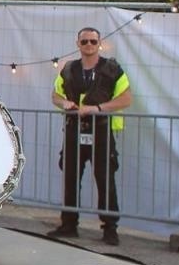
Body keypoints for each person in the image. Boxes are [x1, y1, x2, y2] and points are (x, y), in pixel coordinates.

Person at [51, 28, 133, 245]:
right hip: (74, 130)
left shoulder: (112, 69)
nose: (89, 45)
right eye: (85, 41)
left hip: (101, 131)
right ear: (78, 44)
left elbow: (126, 99)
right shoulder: (69, 69)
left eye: (93, 41)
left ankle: (110, 229)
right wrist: (63, 102)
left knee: (105, 181)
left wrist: (98, 108)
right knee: (70, 178)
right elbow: (55, 95)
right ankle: (69, 224)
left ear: (99, 43)